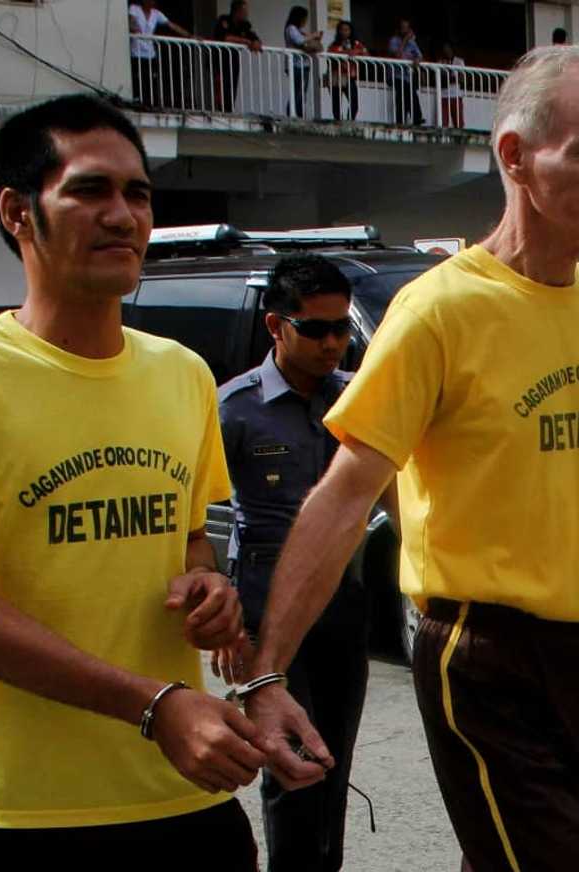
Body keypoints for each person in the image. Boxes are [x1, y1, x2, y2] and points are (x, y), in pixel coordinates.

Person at [241, 44, 579, 872]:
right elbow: (344, 497)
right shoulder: (439, 311)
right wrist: (267, 672)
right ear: (514, 157)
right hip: (488, 656)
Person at [0, 95, 269, 869]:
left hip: (185, 798)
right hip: (28, 815)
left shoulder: (181, 375)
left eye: (138, 193)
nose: (123, 215)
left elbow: (190, 549)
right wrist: (154, 707)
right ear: (18, 212)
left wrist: (211, 593)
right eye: (89, 191)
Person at [218, 254, 371, 872]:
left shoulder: (357, 402)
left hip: (342, 609)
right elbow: (213, 521)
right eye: (316, 330)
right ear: (276, 326)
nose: (332, 344)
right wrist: (231, 627)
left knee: (333, 759)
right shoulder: (235, 409)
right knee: (291, 768)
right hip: (268, 617)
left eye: (341, 330)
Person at [128, 1, 193, 106]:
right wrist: (134, 27)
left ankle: (150, 103)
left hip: (150, 53)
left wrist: (190, 36)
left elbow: (172, 25)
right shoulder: (134, 8)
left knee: (151, 79)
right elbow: (132, 21)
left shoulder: (156, 13)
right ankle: (138, 101)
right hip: (136, 52)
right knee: (138, 78)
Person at [212, 0, 262, 112]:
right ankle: (221, 112)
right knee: (221, 88)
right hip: (220, 61)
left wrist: (256, 42)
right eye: (245, 11)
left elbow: (253, 37)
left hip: (233, 61)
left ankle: (229, 111)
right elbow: (224, 38)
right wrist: (246, 41)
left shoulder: (244, 25)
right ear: (237, 11)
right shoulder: (224, 20)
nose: (247, 14)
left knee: (232, 87)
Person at [283, 6, 323, 119]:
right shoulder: (291, 28)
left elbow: (309, 46)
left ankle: (298, 115)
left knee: (301, 93)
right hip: (296, 65)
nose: (305, 21)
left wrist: (314, 41)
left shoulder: (300, 31)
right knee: (297, 93)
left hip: (303, 65)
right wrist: (313, 35)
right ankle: (294, 115)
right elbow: (299, 41)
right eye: (305, 18)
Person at [327, 20, 366, 121]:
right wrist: (347, 52)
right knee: (336, 103)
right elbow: (331, 55)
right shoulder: (334, 44)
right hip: (337, 76)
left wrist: (357, 51)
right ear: (339, 31)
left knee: (354, 103)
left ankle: (350, 122)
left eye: (347, 30)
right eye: (342, 29)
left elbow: (366, 54)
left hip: (350, 76)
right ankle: (338, 123)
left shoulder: (356, 43)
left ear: (351, 31)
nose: (344, 32)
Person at [388, 18, 424, 126]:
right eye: (403, 27)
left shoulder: (412, 43)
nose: (405, 30)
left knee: (406, 95)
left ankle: (402, 120)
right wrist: (404, 41)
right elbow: (397, 55)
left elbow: (420, 56)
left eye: (406, 28)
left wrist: (417, 59)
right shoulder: (394, 40)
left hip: (407, 77)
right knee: (408, 91)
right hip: (395, 75)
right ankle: (416, 118)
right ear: (399, 29)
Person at [435, 41, 466, 128]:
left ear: (452, 49)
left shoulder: (459, 61)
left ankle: (460, 140)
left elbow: (461, 79)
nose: (447, 51)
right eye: (445, 49)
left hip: (456, 95)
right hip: (443, 95)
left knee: (459, 123)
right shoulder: (440, 62)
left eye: (448, 48)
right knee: (443, 123)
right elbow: (439, 79)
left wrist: (448, 78)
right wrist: (452, 79)